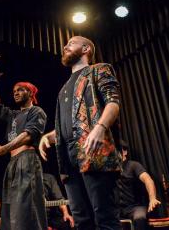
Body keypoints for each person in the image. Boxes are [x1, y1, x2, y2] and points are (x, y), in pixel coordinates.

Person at [39, 36, 122, 230]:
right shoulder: (63, 90)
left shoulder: (99, 69)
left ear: (85, 48)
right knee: (82, 221)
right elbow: (66, 127)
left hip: (95, 153)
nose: (65, 46)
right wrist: (47, 137)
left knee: (105, 219)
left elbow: (113, 102)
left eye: (71, 43)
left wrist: (100, 128)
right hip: (68, 161)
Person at [0, 63, 48, 230]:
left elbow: (27, 136)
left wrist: (3, 149)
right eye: (14, 91)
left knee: (26, 210)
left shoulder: (37, 111)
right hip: (12, 163)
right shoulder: (14, 114)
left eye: (20, 89)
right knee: (11, 211)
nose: (16, 92)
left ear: (31, 93)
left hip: (27, 161)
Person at [118, 140, 161, 230]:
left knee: (140, 217)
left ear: (124, 151)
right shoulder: (111, 170)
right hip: (116, 210)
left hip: (134, 207)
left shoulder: (133, 165)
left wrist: (152, 198)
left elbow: (148, 180)